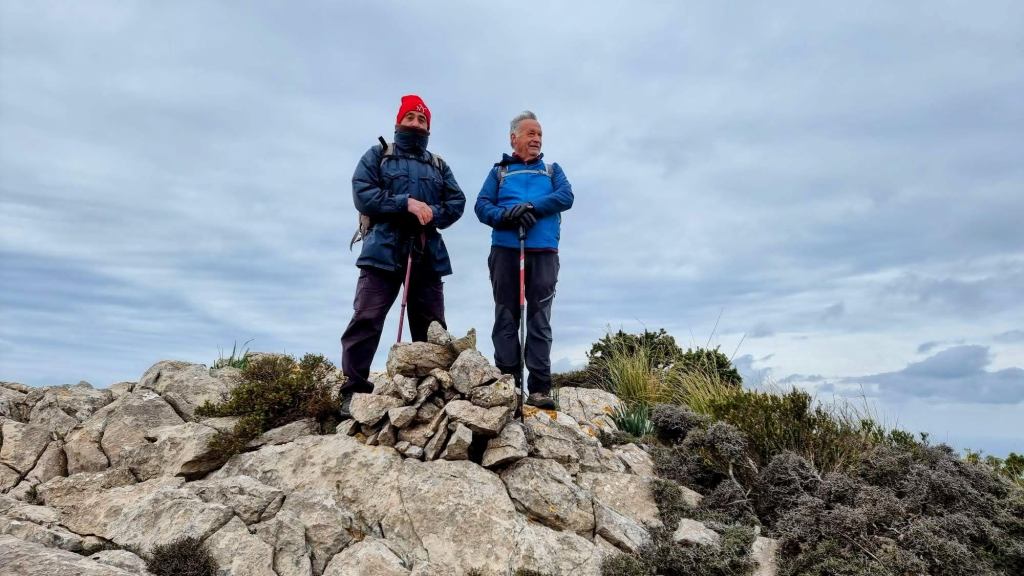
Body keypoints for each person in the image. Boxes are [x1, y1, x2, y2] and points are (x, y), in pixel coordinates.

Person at [339, 94, 465, 416]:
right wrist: (405, 203)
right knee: (366, 318)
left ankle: (431, 391)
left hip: (426, 252)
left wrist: (430, 213)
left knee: (432, 327)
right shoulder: (378, 155)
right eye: (410, 117)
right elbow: (362, 193)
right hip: (382, 249)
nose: (416, 124)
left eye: (422, 120)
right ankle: (353, 390)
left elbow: (457, 203)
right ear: (399, 121)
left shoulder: (439, 165)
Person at [474, 111, 573, 409]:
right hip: (506, 249)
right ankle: (508, 383)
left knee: (539, 319)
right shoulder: (499, 172)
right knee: (506, 316)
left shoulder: (553, 171)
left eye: (539, 134)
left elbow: (566, 197)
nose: (537, 139)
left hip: (543, 252)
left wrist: (531, 206)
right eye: (530, 133)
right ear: (514, 138)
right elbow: (481, 207)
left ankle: (540, 388)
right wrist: (506, 215)